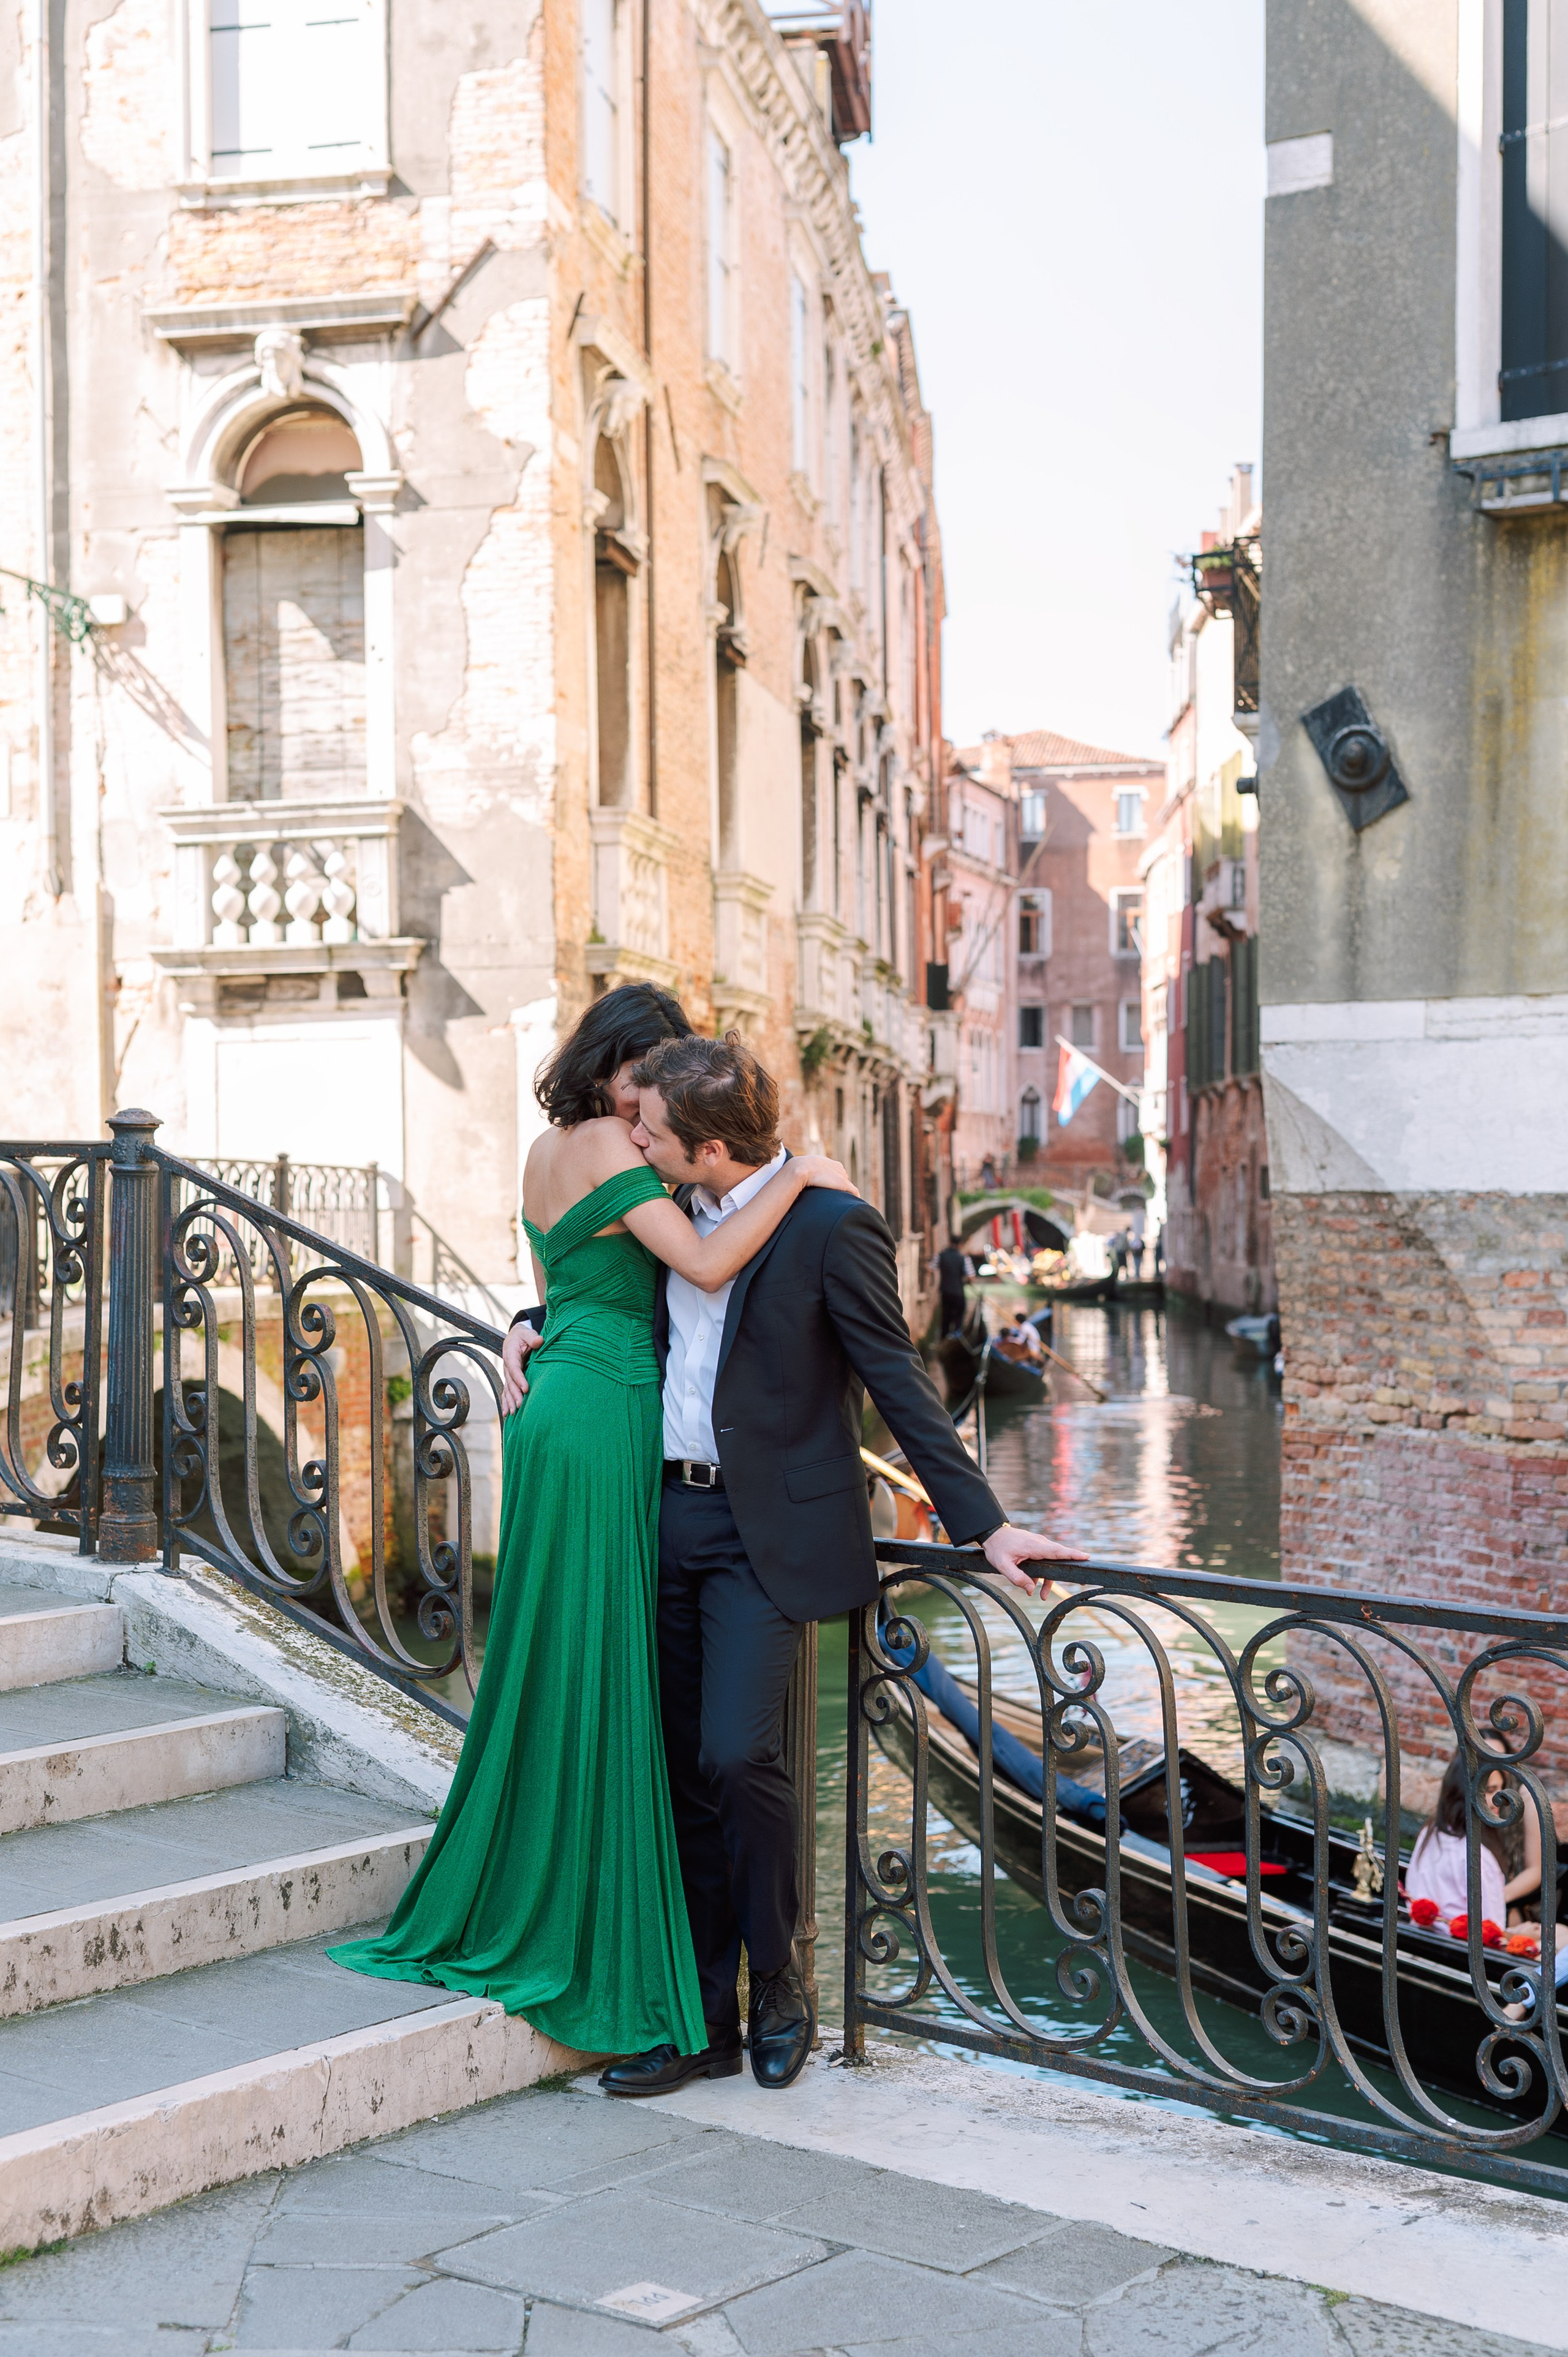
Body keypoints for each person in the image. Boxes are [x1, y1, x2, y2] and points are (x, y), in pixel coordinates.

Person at [504, 1031, 1085, 2098]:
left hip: (764, 1534)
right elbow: (597, 1289)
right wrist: (525, 1326)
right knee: (676, 1768)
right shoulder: (675, 1216)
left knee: (738, 1756)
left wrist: (984, 1525)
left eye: (651, 1130)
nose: (630, 1137)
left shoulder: (830, 1222)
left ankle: (782, 1983)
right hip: (663, 1516)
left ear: (708, 1146)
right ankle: (700, 2017)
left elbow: (898, 1379)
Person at [328, 985, 856, 2062]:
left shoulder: (544, 1146)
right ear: (621, 1064)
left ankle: (613, 1914)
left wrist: (524, 1327)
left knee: (569, 1667)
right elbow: (706, 1264)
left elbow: (563, 1283)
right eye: (647, 1070)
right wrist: (798, 1170)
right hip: (611, 1418)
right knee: (606, 1679)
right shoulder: (623, 1141)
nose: (654, 1098)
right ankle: (628, 1937)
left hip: (557, 1405)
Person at [935, 1239, 971, 1338]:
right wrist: (968, 1282)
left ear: (950, 1243)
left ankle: (944, 1337)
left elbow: (930, 1269)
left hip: (945, 1292)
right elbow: (971, 1276)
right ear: (960, 1245)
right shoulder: (964, 1258)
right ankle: (957, 1335)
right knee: (959, 1315)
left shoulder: (941, 1256)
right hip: (958, 1292)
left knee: (946, 1316)